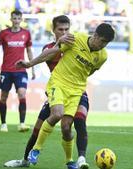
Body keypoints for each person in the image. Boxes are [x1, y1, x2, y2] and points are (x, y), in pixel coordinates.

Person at [16, 23, 115, 169]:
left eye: (106, 43)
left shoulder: (103, 56)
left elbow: (90, 71)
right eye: (102, 41)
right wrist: (30, 64)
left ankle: (70, 161)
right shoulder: (75, 39)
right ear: (95, 36)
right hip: (59, 83)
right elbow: (52, 52)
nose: (103, 46)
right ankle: (36, 150)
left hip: (76, 90)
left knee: (67, 126)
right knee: (57, 114)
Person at [4, 15, 90, 169]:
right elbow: (53, 53)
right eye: (60, 30)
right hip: (57, 91)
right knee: (37, 129)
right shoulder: (48, 48)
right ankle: (25, 161)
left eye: (66, 29)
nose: (64, 32)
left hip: (76, 91)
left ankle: (77, 159)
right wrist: (58, 43)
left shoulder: (78, 44)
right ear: (53, 30)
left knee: (73, 123)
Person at [0, 10, 35, 132]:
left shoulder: (26, 34)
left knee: (22, 94)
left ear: (21, 20)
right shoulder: (3, 34)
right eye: (14, 18)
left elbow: (29, 51)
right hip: (6, 70)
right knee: (3, 97)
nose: (16, 21)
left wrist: (32, 67)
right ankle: (3, 124)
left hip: (21, 70)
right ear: (11, 19)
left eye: (18, 18)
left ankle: (22, 123)